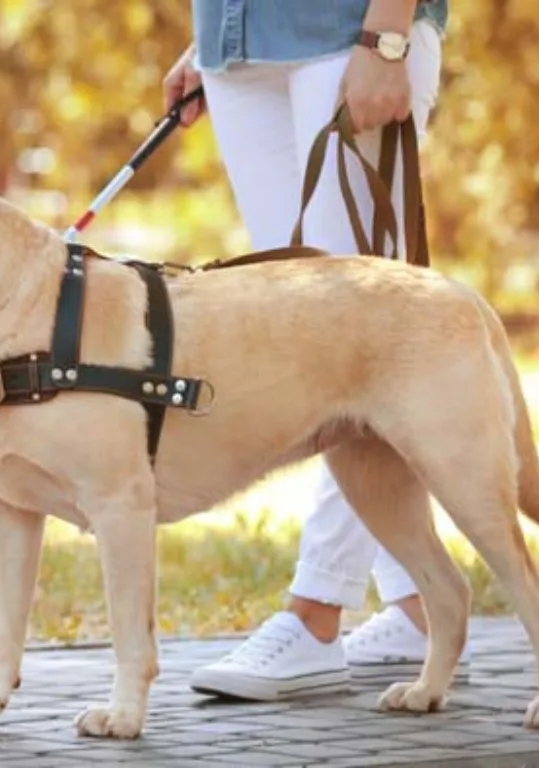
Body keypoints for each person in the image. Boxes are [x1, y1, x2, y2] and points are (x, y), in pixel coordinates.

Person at [162, 0, 469, 701]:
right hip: (241, 50)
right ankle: (420, 609)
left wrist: (388, 35)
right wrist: (222, 33)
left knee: (357, 339)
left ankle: (316, 610)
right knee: (304, 340)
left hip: (348, 32)